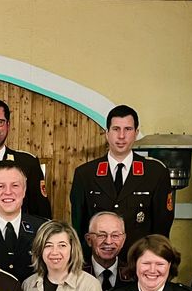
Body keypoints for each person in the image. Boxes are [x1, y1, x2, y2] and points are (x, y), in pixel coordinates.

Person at [70, 105, 174, 255]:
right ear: (107, 133)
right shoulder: (85, 174)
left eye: (128, 129)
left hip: (138, 264)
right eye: (116, 129)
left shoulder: (155, 173)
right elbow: (79, 227)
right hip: (96, 264)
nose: (121, 136)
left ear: (136, 133)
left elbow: (161, 229)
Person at [0, 162, 48, 282]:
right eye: (0, 186)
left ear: (24, 191)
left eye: (15, 185)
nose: (8, 192)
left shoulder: (43, 229)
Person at [83, 212, 129, 291]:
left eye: (115, 236)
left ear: (123, 240)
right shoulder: (76, 274)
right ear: (89, 240)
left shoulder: (132, 274)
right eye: (101, 235)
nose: (108, 241)